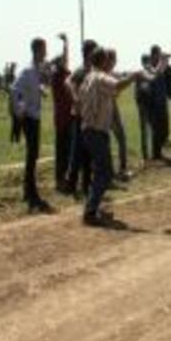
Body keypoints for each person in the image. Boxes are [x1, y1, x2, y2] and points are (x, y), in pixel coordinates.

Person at [80, 49, 144, 226]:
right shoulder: (100, 77)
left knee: (100, 171)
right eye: (110, 60)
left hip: (90, 129)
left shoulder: (89, 76)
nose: (112, 63)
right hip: (96, 131)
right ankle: (90, 212)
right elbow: (116, 86)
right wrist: (133, 76)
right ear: (104, 61)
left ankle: (93, 206)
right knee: (105, 172)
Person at [12, 38, 55, 214]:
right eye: (44, 49)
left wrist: (42, 89)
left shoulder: (38, 70)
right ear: (37, 50)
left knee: (33, 155)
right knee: (32, 155)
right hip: (29, 118)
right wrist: (20, 111)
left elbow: (43, 85)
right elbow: (16, 90)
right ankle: (31, 194)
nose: (46, 52)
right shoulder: (28, 71)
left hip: (34, 116)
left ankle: (28, 191)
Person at [65, 40, 98, 196]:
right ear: (88, 53)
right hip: (79, 116)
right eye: (94, 51)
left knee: (88, 152)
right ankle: (71, 184)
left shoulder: (93, 70)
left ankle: (86, 185)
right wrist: (75, 97)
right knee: (77, 151)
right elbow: (68, 82)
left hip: (89, 116)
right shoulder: (81, 70)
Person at [50, 34, 73, 192]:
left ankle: (64, 178)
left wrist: (66, 44)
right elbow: (64, 62)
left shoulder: (63, 74)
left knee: (68, 150)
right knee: (62, 151)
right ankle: (59, 180)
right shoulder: (58, 77)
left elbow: (66, 59)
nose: (65, 63)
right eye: (62, 62)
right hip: (62, 119)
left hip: (68, 117)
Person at [108, 50, 130, 181]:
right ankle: (114, 171)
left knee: (121, 138)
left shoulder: (111, 74)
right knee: (111, 140)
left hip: (113, 107)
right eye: (114, 59)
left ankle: (121, 169)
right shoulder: (105, 75)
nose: (115, 62)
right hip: (107, 110)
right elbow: (115, 89)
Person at [148, 45, 171, 160]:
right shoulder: (149, 67)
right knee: (156, 130)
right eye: (158, 54)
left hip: (162, 102)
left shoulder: (159, 66)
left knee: (164, 128)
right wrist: (163, 61)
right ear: (153, 55)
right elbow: (155, 72)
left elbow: (163, 71)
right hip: (153, 104)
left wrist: (165, 61)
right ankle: (156, 154)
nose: (159, 57)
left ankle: (159, 152)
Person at [134, 54, 153, 162]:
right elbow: (142, 90)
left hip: (149, 105)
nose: (148, 63)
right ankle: (145, 155)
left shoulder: (149, 73)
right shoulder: (141, 74)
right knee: (144, 131)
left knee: (151, 130)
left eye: (148, 61)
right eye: (146, 61)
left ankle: (151, 153)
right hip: (143, 105)